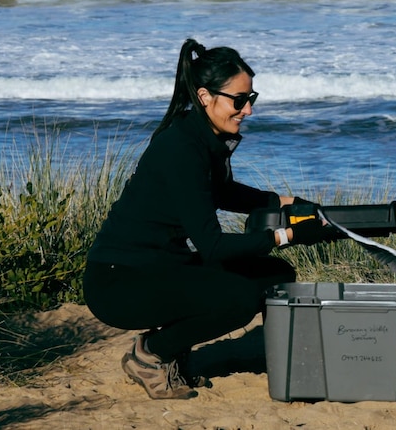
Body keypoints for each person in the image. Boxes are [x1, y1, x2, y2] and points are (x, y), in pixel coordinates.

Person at [83, 38, 334, 400]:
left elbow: (226, 194)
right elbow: (213, 246)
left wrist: (294, 204)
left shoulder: (202, 138)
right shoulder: (182, 148)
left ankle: (282, 360)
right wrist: (287, 235)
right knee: (239, 299)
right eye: (239, 100)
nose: (247, 110)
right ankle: (150, 355)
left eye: (251, 99)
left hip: (162, 266)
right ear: (205, 96)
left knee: (275, 275)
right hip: (119, 282)